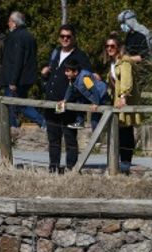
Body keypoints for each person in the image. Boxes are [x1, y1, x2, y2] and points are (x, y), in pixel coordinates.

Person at [41, 24, 92, 174]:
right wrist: (44, 75)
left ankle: (71, 167)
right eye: (62, 36)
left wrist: (81, 97)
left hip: (68, 103)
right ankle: (54, 166)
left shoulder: (80, 56)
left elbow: (87, 79)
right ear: (59, 38)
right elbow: (51, 73)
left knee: (70, 137)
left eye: (68, 36)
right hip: (51, 101)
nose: (65, 39)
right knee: (53, 138)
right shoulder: (55, 53)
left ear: (74, 38)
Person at [0, 11, 45, 129]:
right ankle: (13, 127)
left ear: (14, 23)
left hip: (16, 78)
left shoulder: (15, 37)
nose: (8, 24)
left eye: (9, 21)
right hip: (27, 77)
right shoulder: (29, 36)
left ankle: (41, 122)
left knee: (17, 104)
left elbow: (17, 60)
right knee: (17, 104)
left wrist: (13, 81)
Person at [104, 33, 140, 174]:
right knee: (119, 131)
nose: (109, 48)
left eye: (112, 46)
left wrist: (123, 96)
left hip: (124, 100)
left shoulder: (124, 62)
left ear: (118, 47)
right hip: (115, 101)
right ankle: (119, 161)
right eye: (107, 46)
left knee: (125, 131)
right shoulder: (112, 63)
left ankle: (126, 162)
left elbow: (126, 80)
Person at [59, 60, 107, 130]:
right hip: (92, 96)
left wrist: (96, 103)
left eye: (68, 71)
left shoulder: (85, 78)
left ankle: (97, 137)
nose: (65, 73)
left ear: (75, 72)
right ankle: (80, 122)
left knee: (94, 119)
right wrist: (65, 100)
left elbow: (94, 90)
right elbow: (69, 90)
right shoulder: (72, 79)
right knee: (79, 102)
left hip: (101, 95)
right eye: (65, 71)